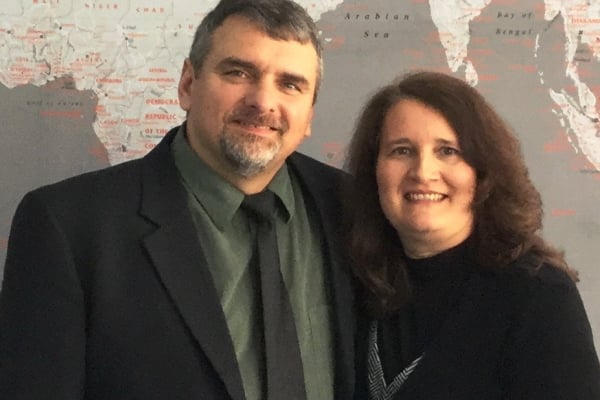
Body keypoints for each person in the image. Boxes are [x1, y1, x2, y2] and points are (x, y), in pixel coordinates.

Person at [0, 1, 355, 399]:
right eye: (238, 72)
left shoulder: (348, 209)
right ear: (188, 84)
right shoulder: (68, 227)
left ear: (309, 115)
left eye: (290, 84)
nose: (262, 101)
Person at [344, 70, 600, 399]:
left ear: (482, 172)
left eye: (447, 151)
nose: (423, 172)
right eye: (402, 150)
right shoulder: (353, 282)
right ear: (374, 170)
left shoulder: (538, 295)